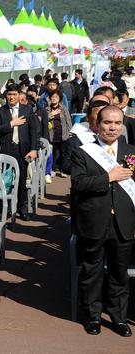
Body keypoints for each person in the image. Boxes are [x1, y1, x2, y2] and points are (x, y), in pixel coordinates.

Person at [71, 106, 134, 337]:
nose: (112, 127)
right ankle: (93, 316)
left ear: (122, 125)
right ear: (97, 124)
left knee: (119, 273)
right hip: (94, 222)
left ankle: (118, 318)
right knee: (92, 272)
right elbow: (78, 184)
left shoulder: (131, 151)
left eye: (117, 123)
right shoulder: (83, 152)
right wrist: (108, 177)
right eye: (108, 122)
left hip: (124, 224)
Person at [0, 84, 38, 221]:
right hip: (7, 149)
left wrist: (34, 149)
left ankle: (22, 208)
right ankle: (3, 208)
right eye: (9, 94)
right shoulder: (0, 111)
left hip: (23, 150)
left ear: (19, 95)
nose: (11, 97)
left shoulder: (27, 109)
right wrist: (12, 124)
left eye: (14, 94)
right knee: (5, 180)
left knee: (22, 180)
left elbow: (33, 131)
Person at [46, 91, 73, 176]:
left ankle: (62, 170)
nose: (54, 98)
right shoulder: (47, 109)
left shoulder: (63, 108)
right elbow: (43, 120)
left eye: (56, 97)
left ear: (59, 99)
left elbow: (68, 121)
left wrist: (69, 132)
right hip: (52, 135)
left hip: (63, 134)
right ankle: (53, 169)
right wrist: (51, 114)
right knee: (53, 153)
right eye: (52, 97)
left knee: (63, 153)